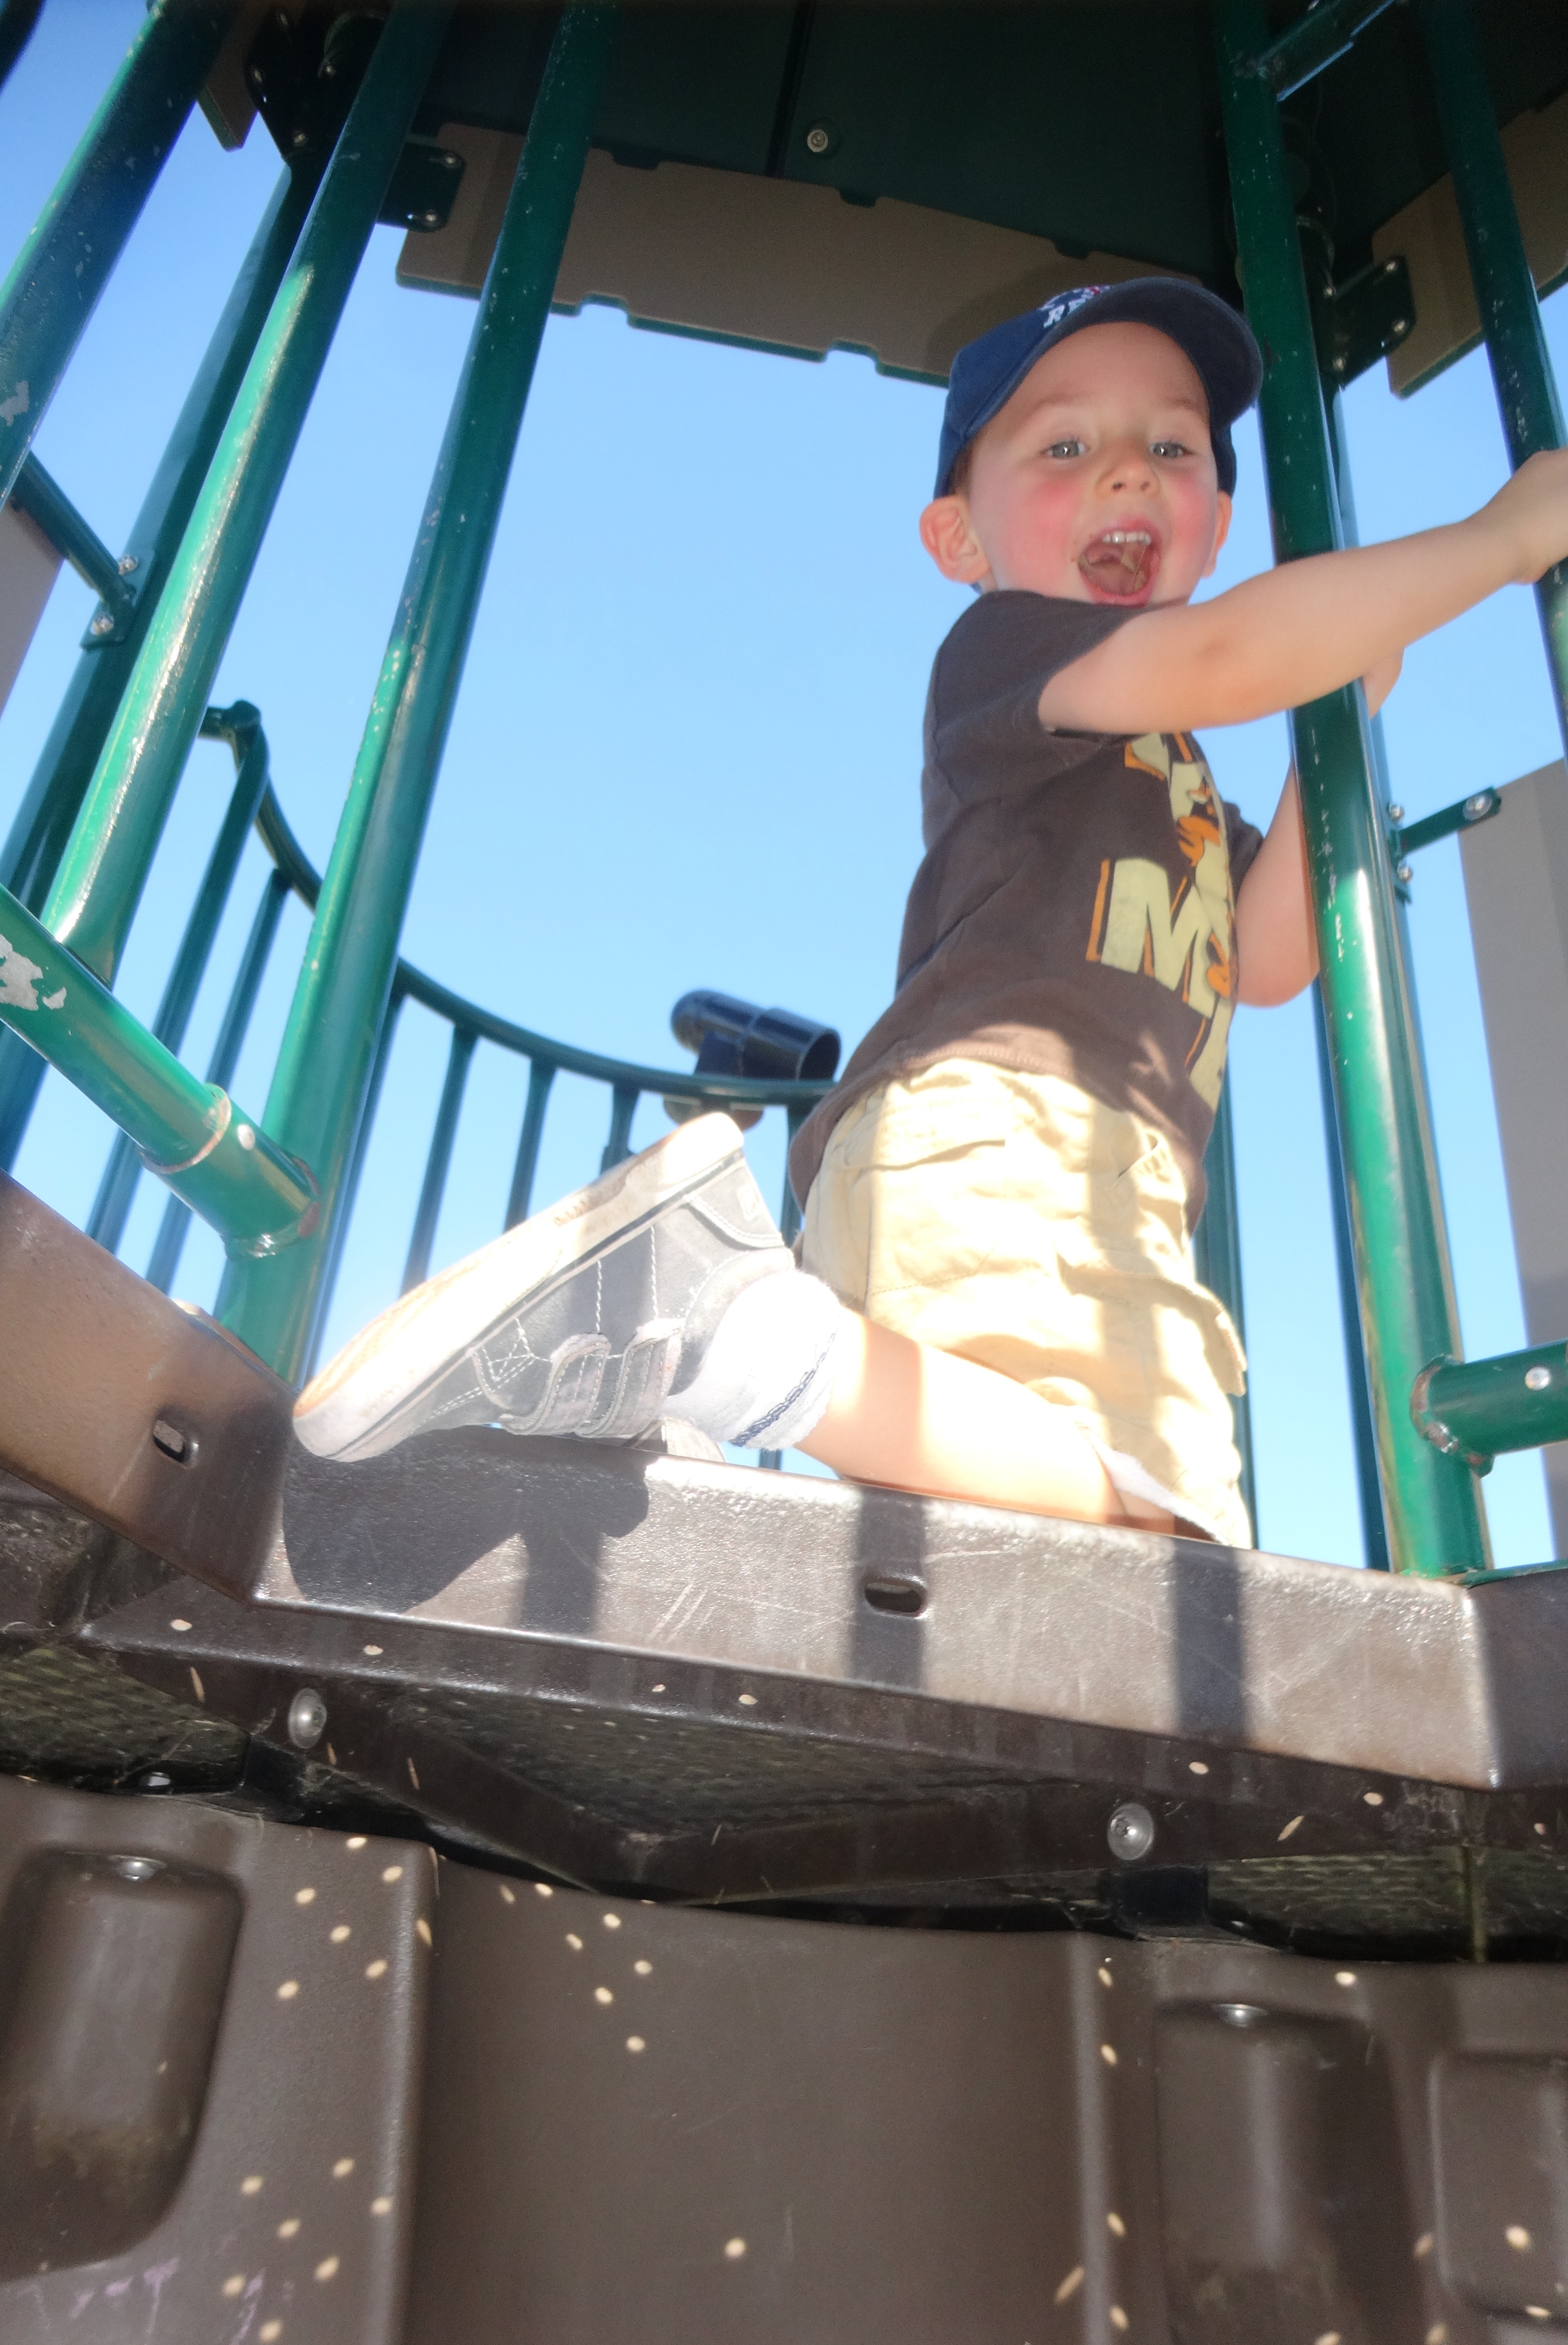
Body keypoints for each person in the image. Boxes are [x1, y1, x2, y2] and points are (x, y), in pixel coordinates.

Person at [294, 279, 1568, 1548]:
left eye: (1172, 447)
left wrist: (1348, 707)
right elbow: (1231, 655)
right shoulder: (1007, 652)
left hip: (1020, 1162)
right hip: (1016, 1138)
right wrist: (1503, 541)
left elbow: (1270, 955)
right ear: (960, 539)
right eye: (1064, 447)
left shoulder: (1172, 780)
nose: (1127, 469)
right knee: (1165, 1546)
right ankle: (721, 1329)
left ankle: (701, 1371)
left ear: (1215, 523)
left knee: (1099, 1557)